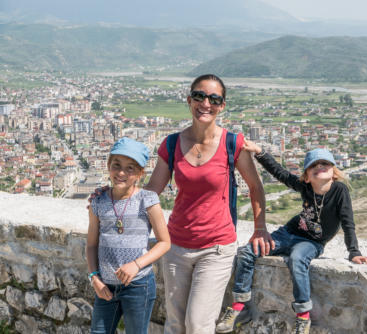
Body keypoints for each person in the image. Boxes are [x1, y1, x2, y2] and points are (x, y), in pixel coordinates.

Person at [145, 74, 274, 334]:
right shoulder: (171, 144)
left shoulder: (232, 144)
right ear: (189, 100)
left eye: (214, 99)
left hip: (216, 248)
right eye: (199, 96)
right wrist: (113, 200)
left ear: (222, 105)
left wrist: (260, 228)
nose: (206, 103)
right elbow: (151, 193)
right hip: (176, 245)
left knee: (198, 324)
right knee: (175, 324)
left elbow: (255, 186)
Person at [216, 141, 367, 334]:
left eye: (324, 164)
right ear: (307, 177)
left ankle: (302, 317)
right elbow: (281, 173)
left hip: (312, 242)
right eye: (313, 166)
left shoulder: (339, 191)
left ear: (334, 172)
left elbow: (347, 222)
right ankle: (239, 308)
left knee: (297, 259)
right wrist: (260, 153)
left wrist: (354, 252)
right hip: (288, 233)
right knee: (247, 252)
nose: (319, 167)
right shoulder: (305, 188)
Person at [87, 137, 171, 334]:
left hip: (138, 285)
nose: (121, 173)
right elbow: (91, 244)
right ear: (108, 166)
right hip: (105, 285)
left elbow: (165, 242)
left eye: (130, 168)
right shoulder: (98, 202)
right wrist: (94, 278)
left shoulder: (147, 200)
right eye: (116, 165)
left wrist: (136, 264)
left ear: (140, 173)